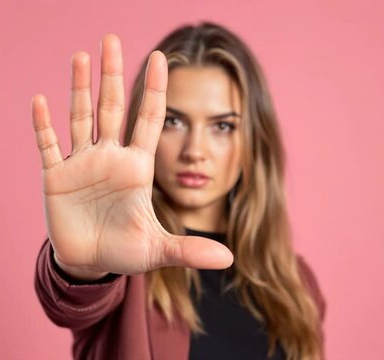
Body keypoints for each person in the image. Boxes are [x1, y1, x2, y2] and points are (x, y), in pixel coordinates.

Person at [32, 21, 327, 360]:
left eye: (222, 126)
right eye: (174, 121)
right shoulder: (123, 259)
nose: (195, 150)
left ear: (255, 142)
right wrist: (83, 268)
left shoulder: (297, 286)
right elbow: (73, 302)